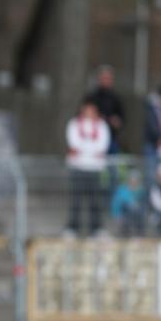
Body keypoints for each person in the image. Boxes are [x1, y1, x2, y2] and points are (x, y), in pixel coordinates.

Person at [65, 97, 110, 237]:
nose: (90, 112)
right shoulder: (74, 124)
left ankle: (96, 228)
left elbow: (102, 145)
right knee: (76, 200)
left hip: (95, 168)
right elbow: (74, 144)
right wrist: (90, 149)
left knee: (95, 200)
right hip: (78, 167)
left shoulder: (102, 125)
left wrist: (84, 148)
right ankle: (72, 228)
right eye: (87, 109)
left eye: (92, 110)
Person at [110, 169, 146, 238]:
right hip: (123, 217)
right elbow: (115, 206)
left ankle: (139, 235)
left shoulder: (141, 191)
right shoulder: (122, 190)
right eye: (132, 180)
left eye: (136, 180)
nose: (134, 182)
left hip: (137, 217)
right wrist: (117, 216)